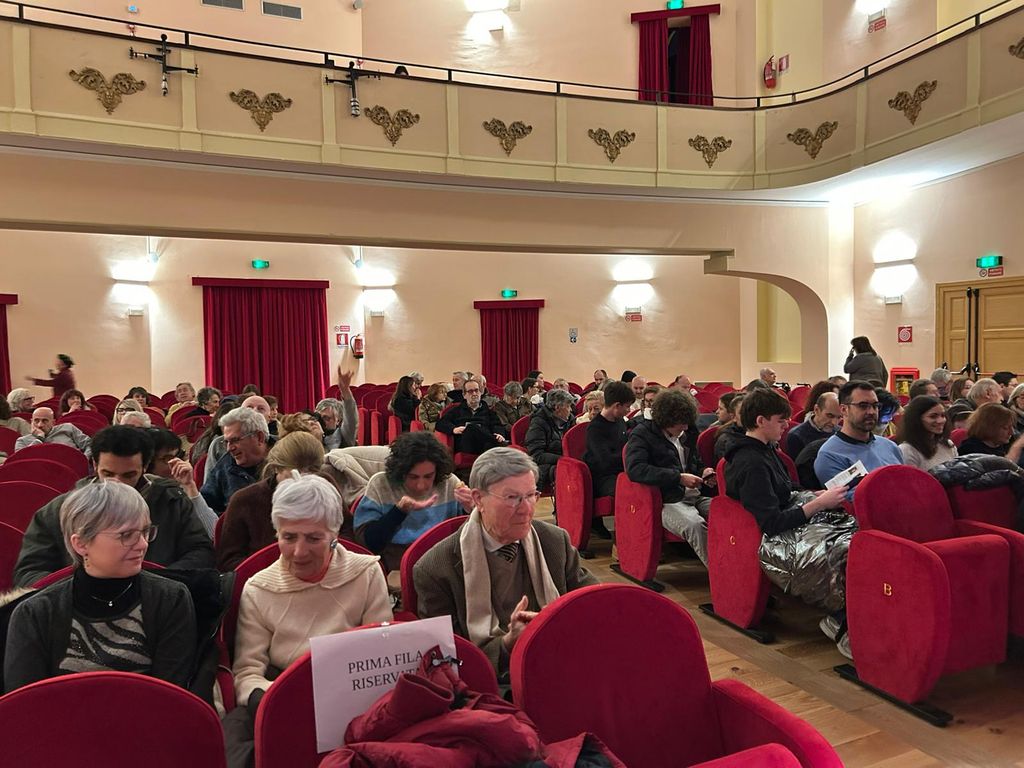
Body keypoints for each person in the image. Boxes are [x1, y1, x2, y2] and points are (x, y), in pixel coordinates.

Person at [227, 474, 390, 763]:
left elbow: (381, 656)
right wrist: (284, 698)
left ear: (335, 536)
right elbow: (248, 673)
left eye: (314, 538)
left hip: (355, 700)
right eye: (289, 537)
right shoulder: (259, 588)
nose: (299, 552)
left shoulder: (366, 573)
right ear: (276, 533)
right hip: (283, 697)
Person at [413, 448, 597, 676]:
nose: (526, 509)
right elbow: (447, 661)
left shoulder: (554, 541)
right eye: (512, 498)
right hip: (488, 684)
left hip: (559, 665)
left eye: (531, 495)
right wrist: (509, 643)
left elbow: (592, 601)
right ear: (478, 499)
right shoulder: (435, 569)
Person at [4, 481, 197, 693]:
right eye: (126, 535)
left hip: (150, 713)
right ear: (81, 543)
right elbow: (26, 703)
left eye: (145, 532)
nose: (143, 544)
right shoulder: (35, 613)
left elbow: (171, 697)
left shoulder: (171, 598)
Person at [723, 387, 852, 658]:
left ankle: (851, 615)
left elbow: (786, 488)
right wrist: (818, 504)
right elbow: (771, 522)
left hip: (790, 524)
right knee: (841, 550)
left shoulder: (765, 449)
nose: (786, 426)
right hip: (775, 540)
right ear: (760, 421)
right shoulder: (751, 461)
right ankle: (842, 620)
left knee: (855, 535)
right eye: (781, 421)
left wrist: (815, 495)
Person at [13, 426, 215, 587]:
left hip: (157, 602)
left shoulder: (172, 501)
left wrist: (157, 584)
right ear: (94, 465)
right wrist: (84, 589)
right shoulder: (58, 510)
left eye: (129, 475)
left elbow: (200, 553)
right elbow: (29, 572)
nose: (117, 483)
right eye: (108, 474)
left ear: (144, 467)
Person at [354, 432, 473, 571]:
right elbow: (368, 544)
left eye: (428, 476)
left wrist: (470, 509)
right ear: (401, 472)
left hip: (441, 563)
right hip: (397, 565)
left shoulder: (450, 483)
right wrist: (399, 512)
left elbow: (467, 537)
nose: (421, 486)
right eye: (413, 477)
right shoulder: (380, 484)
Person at [625, 388, 714, 565]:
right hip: (668, 500)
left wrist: (703, 472)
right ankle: (722, 574)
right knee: (695, 526)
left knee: (729, 514)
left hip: (694, 495)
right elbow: (635, 469)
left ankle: (742, 566)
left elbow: (695, 463)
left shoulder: (687, 432)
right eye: (681, 423)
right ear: (666, 419)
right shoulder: (642, 434)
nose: (685, 427)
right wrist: (678, 477)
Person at [216, 431, 327, 571]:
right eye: (295, 476)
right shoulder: (245, 501)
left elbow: (345, 536)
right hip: (264, 579)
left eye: (311, 476)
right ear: (277, 468)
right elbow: (228, 562)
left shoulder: (324, 488)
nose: (303, 483)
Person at [814, 381, 904, 496]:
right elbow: (853, 500)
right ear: (844, 410)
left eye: (875, 406)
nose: (871, 412)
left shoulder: (890, 446)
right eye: (863, 406)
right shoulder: (830, 455)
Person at [145, 428, 217, 539]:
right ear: (147, 463)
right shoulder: (146, 496)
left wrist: (190, 486)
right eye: (168, 459)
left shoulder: (180, 488)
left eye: (179, 455)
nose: (177, 463)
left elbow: (213, 532)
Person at [201, 407, 272, 514]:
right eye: (227, 442)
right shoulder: (224, 466)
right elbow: (206, 507)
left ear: (259, 437)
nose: (229, 448)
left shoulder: (287, 457)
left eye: (235, 440)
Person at [583, 379, 633, 498]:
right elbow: (606, 462)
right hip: (603, 478)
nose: (629, 410)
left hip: (621, 471)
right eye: (627, 406)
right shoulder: (595, 429)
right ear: (617, 406)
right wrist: (631, 456)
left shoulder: (619, 420)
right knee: (632, 489)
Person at [436, 378, 507, 455]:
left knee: (486, 439)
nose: (474, 394)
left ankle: (494, 443)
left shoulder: (488, 411)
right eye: (470, 391)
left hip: (484, 445)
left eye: (476, 390)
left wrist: (499, 434)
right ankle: (496, 442)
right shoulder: (456, 410)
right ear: (464, 395)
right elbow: (440, 423)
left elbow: (497, 425)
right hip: (466, 445)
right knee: (471, 427)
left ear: (480, 393)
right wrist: (453, 429)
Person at [525, 388, 576, 491]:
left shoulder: (570, 420)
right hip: (548, 464)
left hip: (567, 460)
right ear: (557, 407)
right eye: (568, 406)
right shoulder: (538, 423)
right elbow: (537, 455)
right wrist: (563, 459)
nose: (570, 410)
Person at [897, 396, 957, 471]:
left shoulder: (948, 444)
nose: (940, 421)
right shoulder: (907, 450)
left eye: (943, 415)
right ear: (916, 419)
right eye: (933, 416)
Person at [959, 403, 1024, 463]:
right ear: (989, 427)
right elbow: (1001, 469)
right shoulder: (971, 451)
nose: (1011, 432)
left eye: (1012, 427)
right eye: (1005, 428)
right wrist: (1015, 449)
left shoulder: (1004, 445)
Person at [15, 407, 92, 456]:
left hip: (72, 468)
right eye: (36, 421)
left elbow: (89, 444)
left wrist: (84, 459)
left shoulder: (67, 428)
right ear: (31, 421)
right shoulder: (22, 441)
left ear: (53, 422)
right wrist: (39, 438)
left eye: (45, 421)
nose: (40, 425)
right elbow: (21, 460)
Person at [785, 392, 840, 460]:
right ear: (816, 410)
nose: (834, 423)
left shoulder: (841, 432)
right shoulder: (796, 436)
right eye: (829, 416)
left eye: (839, 417)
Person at [316, 366, 358, 450]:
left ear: (338, 420)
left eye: (326, 418)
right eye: (319, 418)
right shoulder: (312, 435)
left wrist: (345, 390)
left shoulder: (345, 436)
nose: (321, 422)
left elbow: (351, 417)